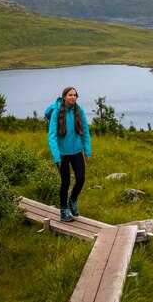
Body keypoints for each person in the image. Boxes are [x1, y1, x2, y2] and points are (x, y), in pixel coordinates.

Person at [46, 86, 92, 222]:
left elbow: (86, 131)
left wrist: (87, 151)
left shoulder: (79, 110)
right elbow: (52, 136)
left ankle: (73, 200)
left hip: (77, 151)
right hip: (62, 154)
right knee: (65, 182)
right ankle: (63, 210)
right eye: (70, 95)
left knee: (81, 178)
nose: (73, 97)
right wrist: (56, 157)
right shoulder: (56, 112)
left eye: (75, 95)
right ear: (64, 97)